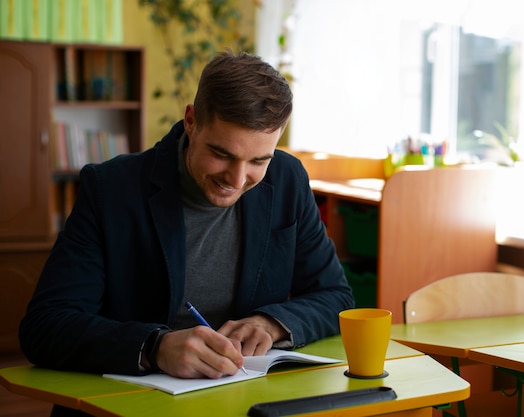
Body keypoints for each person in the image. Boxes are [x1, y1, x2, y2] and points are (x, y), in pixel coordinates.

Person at [19, 50, 354, 416]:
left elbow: (335, 295)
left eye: (259, 161)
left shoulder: (287, 179)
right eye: (221, 154)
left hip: (245, 403)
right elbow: (45, 326)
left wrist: (271, 322)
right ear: (191, 121)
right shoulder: (110, 189)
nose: (237, 179)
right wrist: (155, 347)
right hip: (126, 407)